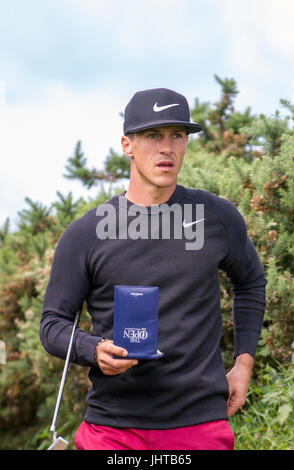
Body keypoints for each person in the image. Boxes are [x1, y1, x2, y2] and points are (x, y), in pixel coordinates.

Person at [40, 88, 267, 450]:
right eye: (153, 135)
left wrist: (243, 364)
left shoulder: (217, 218)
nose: (167, 147)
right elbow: (52, 325)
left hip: (199, 425)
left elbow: (251, 282)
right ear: (127, 145)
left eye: (177, 135)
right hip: (111, 430)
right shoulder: (87, 232)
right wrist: (93, 348)